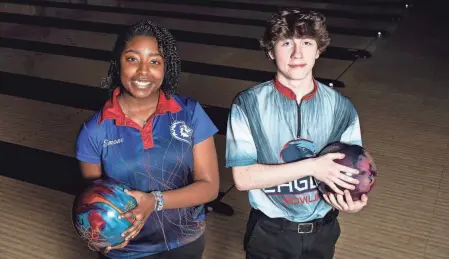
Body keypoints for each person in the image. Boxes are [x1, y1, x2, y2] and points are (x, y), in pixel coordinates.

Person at [225, 9, 369, 259]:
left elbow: (354, 170)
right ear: (271, 51)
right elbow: (244, 178)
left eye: (307, 43)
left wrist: (353, 199)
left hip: (323, 232)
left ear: (319, 49)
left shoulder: (342, 108)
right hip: (269, 234)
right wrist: (313, 167)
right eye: (287, 43)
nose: (297, 53)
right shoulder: (247, 105)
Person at [75, 20, 220, 259]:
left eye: (155, 62)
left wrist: (155, 201)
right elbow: (92, 202)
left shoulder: (190, 113)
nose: (143, 71)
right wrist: (98, 239)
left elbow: (209, 187)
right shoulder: (95, 131)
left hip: (184, 243)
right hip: (126, 250)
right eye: (132, 59)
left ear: (166, 68)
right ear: (117, 63)